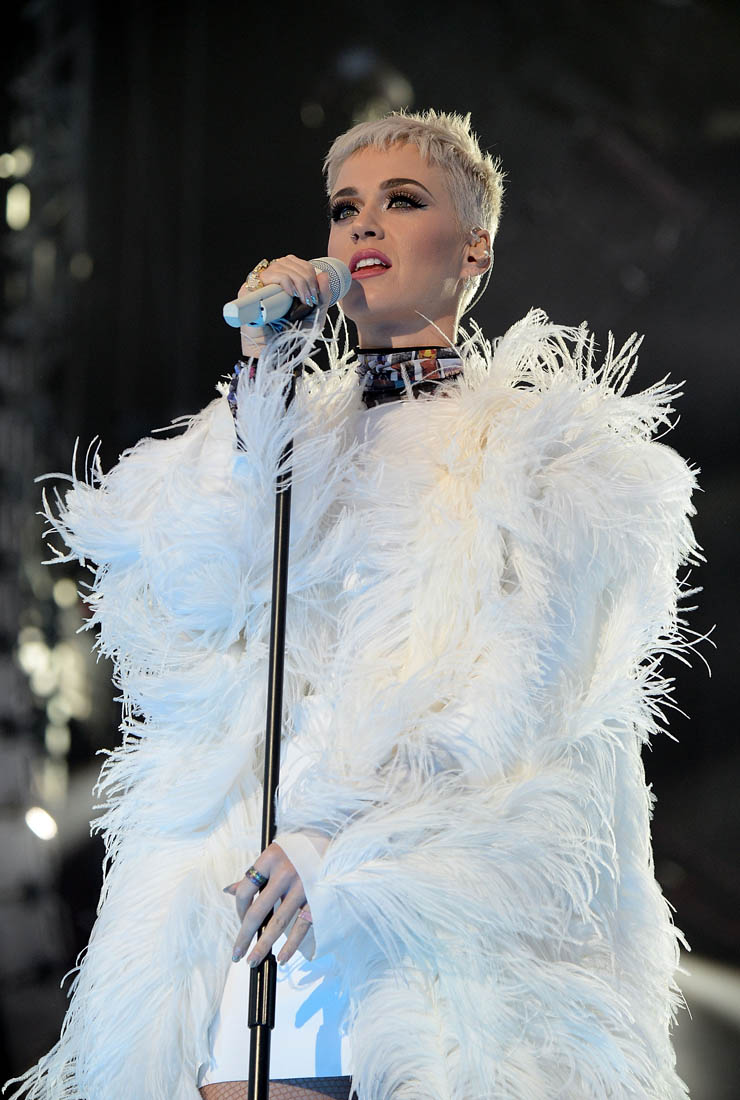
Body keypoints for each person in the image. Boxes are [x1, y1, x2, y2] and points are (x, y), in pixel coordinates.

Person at [3, 109, 704, 1100]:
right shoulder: (283, 430)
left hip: (439, 892)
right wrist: (262, 384)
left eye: (401, 200)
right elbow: (192, 605)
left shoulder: (544, 457)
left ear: (474, 248)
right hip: (260, 891)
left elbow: (513, 699)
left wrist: (340, 841)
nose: (363, 225)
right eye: (344, 208)